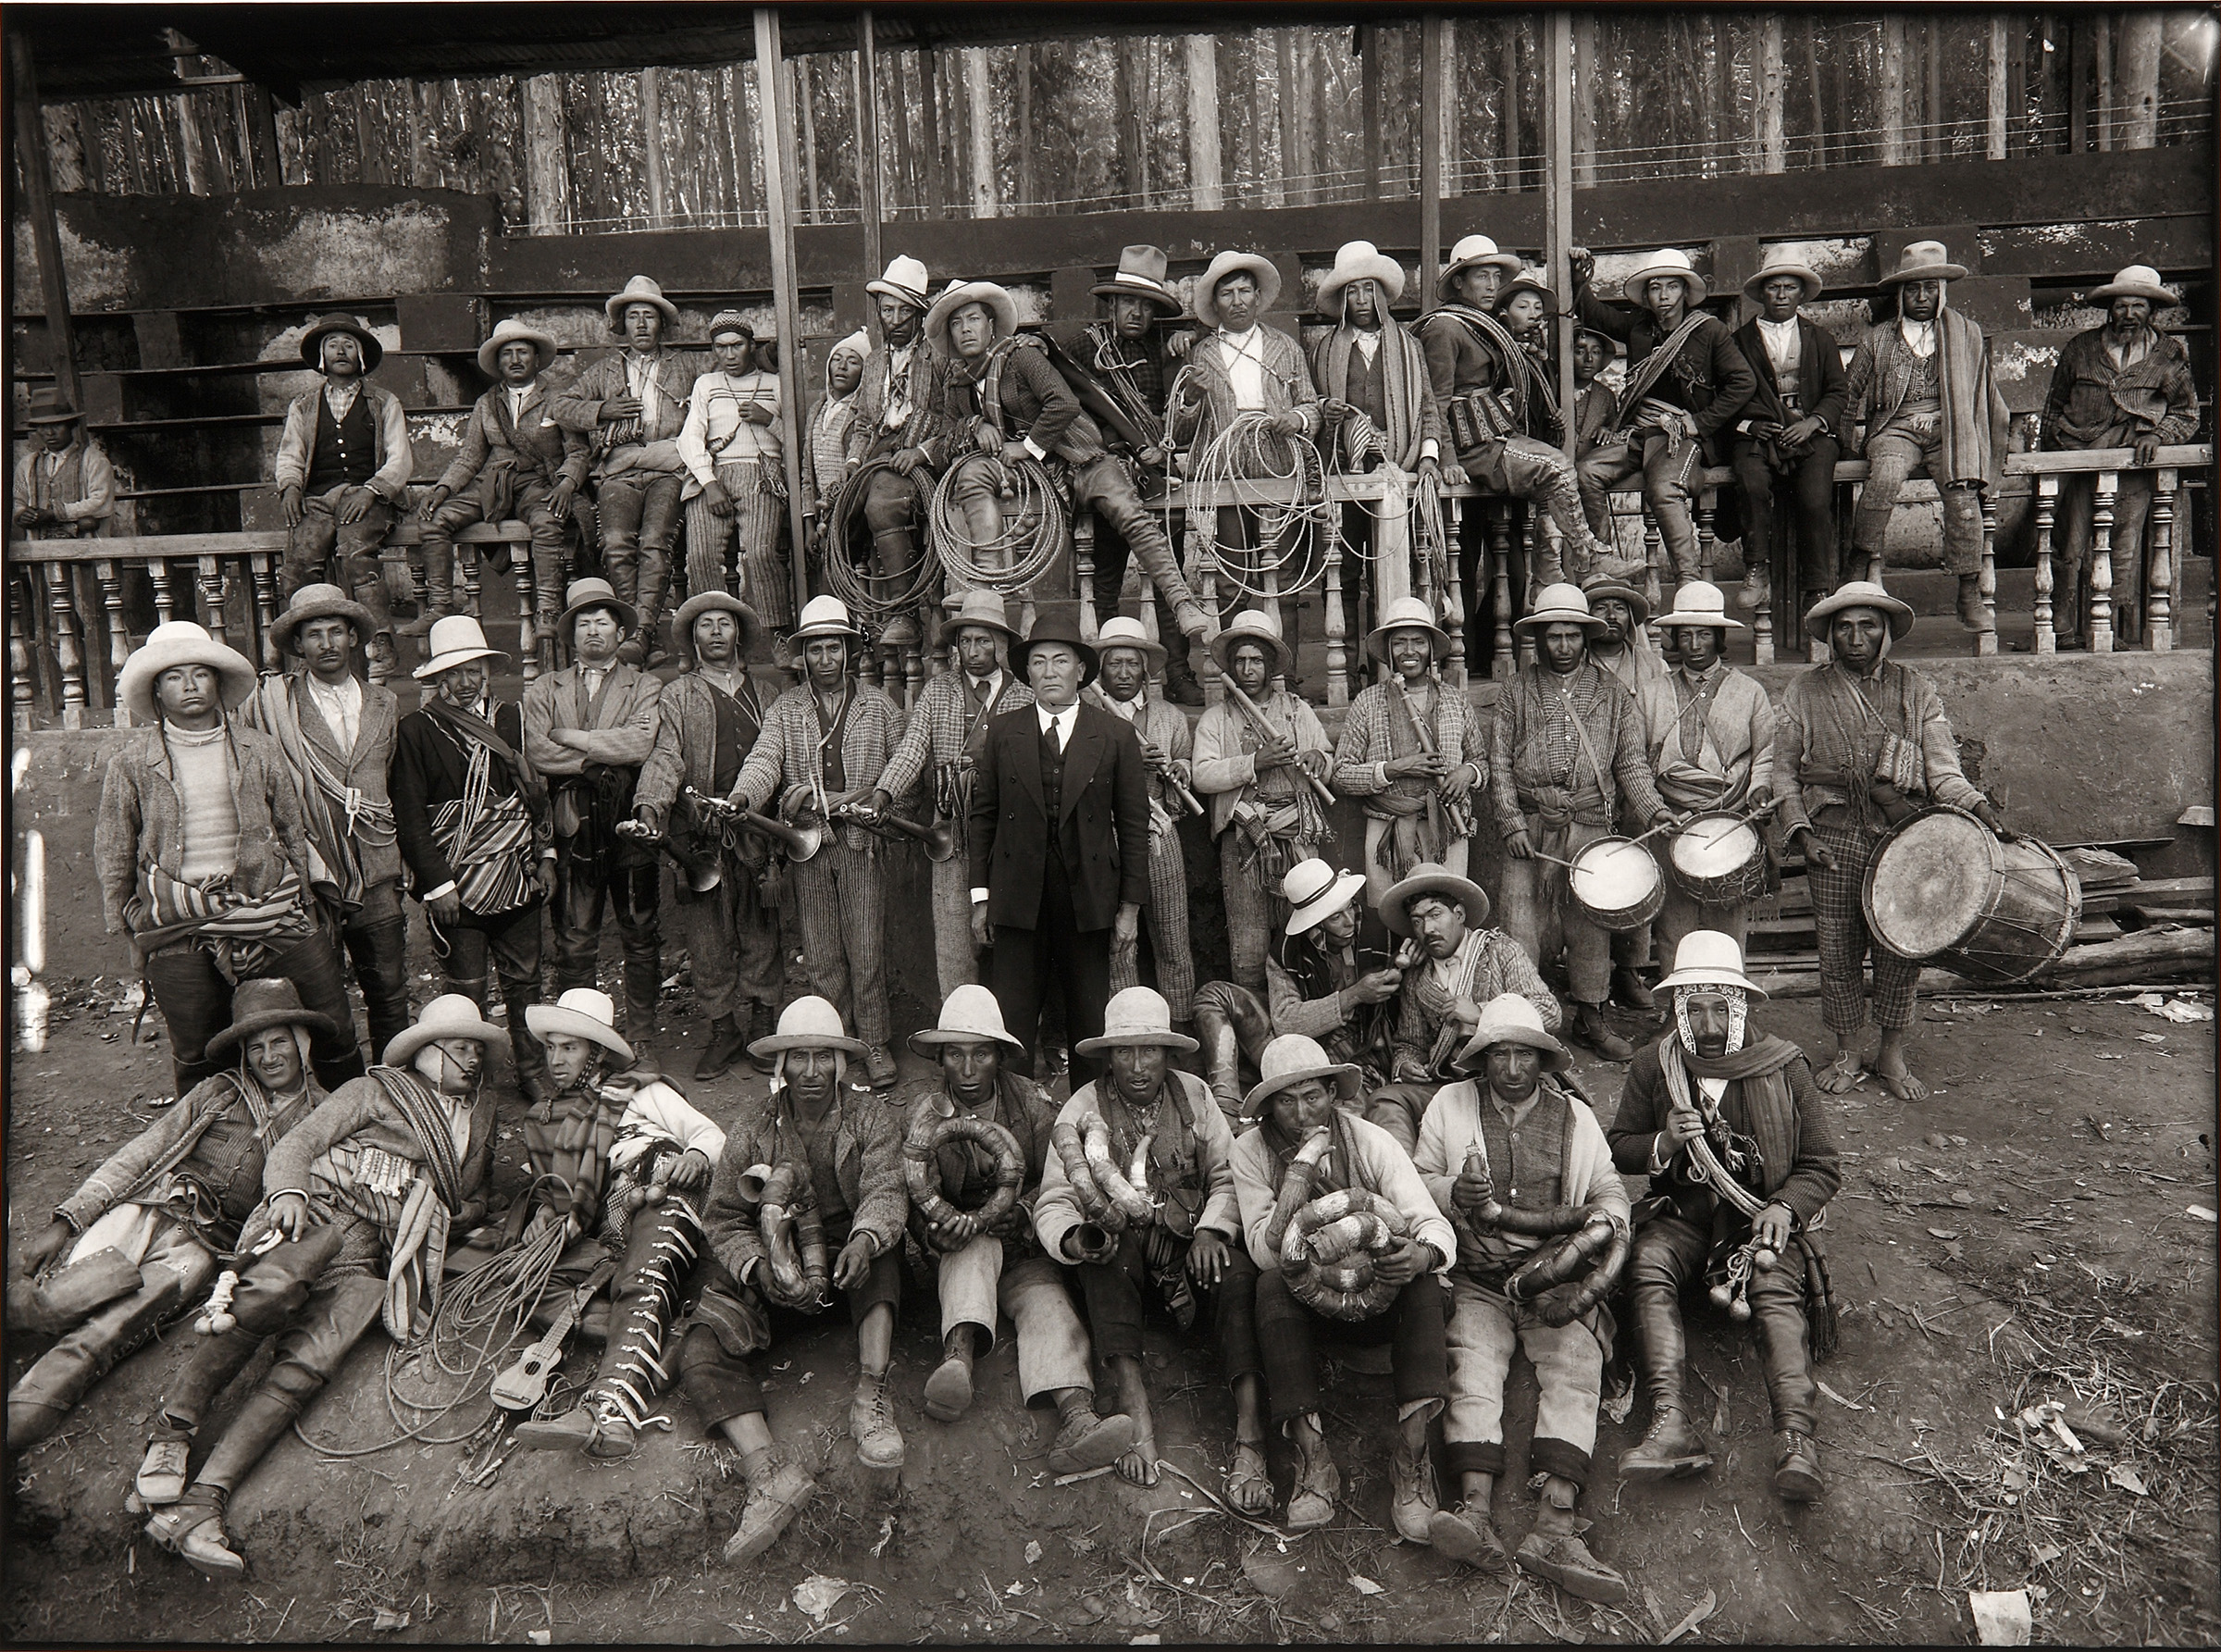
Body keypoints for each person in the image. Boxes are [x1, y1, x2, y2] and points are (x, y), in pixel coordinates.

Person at [143, 994, 503, 1576]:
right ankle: (173, 1431)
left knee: (315, 1359)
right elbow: (297, 1146)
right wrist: (288, 1192)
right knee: (273, 1290)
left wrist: (447, 1212)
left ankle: (200, 1506)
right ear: (429, 1052)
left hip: (381, 1252)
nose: (472, 1060)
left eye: (477, 1051)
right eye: (461, 1048)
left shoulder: (482, 1115)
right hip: (318, 1213)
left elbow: (473, 1192)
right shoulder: (373, 1091)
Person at [6, 981, 332, 1454]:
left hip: (202, 1248)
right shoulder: (219, 1093)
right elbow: (144, 1152)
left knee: (111, 1330)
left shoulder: (323, 1114)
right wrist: (66, 1221)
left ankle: (20, 1420)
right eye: (256, 1046)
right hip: (150, 1208)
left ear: (302, 1043)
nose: (268, 1056)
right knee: (58, 1301)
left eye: (279, 1041)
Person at [1607, 932, 1841, 1506]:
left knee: (1772, 1284)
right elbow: (1620, 1146)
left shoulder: (1786, 1067)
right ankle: (1670, 1424)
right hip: (1684, 1214)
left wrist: (1786, 1208)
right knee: (1648, 1260)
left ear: (1739, 1007)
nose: (1707, 1024)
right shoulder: (1654, 1065)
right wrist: (1661, 1142)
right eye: (1694, 1008)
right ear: (1676, 1010)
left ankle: (1796, 1439)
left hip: (1758, 1217)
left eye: (1719, 1007)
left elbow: (1822, 1165)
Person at [1412, 994, 1630, 1599]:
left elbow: (1608, 1189)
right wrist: (1454, 1188)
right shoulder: (1448, 1106)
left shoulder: (1575, 1118)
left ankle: (1555, 1525)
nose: (1511, 1068)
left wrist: (1601, 1228)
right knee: (1472, 1365)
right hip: (1477, 1278)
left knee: (1576, 1365)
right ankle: (1475, 1512)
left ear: (1543, 1059)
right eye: (1499, 1053)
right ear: (1482, 1058)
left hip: (1550, 1280)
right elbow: (1414, 1180)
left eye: (1523, 1055)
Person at [94, 622, 366, 1097]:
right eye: (176, 677)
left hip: (270, 906)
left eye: (201, 674)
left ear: (218, 683)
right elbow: (115, 849)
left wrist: (302, 898)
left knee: (333, 1026)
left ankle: (355, 1124)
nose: (191, 686)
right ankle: (210, 1150)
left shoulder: (258, 748)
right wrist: (129, 930)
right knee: (199, 1050)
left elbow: (290, 826)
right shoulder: (132, 764)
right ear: (158, 691)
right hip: (182, 920)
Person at [1036, 987, 1271, 1513]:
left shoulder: (1195, 1097)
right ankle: (1132, 1399)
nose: (1138, 1066)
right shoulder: (1083, 1107)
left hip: (1190, 1254)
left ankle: (1251, 1432)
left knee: (1238, 1277)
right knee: (1107, 1254)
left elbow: (1227, 1177)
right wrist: (1075, 1237)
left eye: (1150, 1051)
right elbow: (1054, 1199)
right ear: (1108, 1057)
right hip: (1126, 1265)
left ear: (1170, 1053)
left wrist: (1213, 1231)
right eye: (1124, 1052)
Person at [1774, 582, 2011, 1101]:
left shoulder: (1915, 689)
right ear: (1830, 635)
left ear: (1886, 633)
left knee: (1901, 948)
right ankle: (1847, 1050)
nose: (1855, 637)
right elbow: (1785, 773)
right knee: (1837, 948)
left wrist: (1977, 806)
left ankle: (1892, 1052)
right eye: (1844, 627)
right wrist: (1803, 831)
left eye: (1868, 625)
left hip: (1903, 837)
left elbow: (1941, 770)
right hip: (1832, 834)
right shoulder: (1805, 690)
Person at [696, 998, 908, 1561]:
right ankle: (767, 1472)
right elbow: (721, 1216)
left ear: (840, 1066)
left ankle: (871, 1397)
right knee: (702, 1340)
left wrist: (864, 1240)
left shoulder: (870, 1119)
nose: (811, 1072)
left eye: (823, 1058)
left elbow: (888, 1191)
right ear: (781, 1067)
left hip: (846, 1260)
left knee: (884, 1263)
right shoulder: (753, 1127)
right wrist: (757, 1265)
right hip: (779, 1261)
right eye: (799, 1059)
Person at [901, 986, 1140, 1471]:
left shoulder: (1031, 1103)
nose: (968, 1071)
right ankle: (957, 1362)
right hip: (962, 1243)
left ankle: (1077, 1418)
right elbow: (910, 1189)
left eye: (981, 1054)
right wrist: (934, 1230)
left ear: (999, 1057)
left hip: (1025, 1245)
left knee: (1049, 1306)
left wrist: (1026, 1212)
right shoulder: (921, 1116)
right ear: (940, 1059)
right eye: (955, 1055)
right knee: (970, 1257)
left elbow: (1055, 1176)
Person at [1231, 1035, 1456, 1538]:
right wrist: (1297, 1180)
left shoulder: (1371, 1141)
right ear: (1268, 1107)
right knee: (1269, 1284)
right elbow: (1263, 1249)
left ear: (1333, 1094)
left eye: (1312, 1096)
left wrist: (1418, 1254)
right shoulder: (1250, 1152)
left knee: (1424, 1284)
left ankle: (1413, 1462)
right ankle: (1313, 1463)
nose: (1300, 1113)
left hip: (1379, 1300)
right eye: (1285, 1101)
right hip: (1309, 1307)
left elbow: (1431, 1223)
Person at [503, 988, 734, 1459]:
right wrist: (547, 1214)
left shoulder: (641, 1090)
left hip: (664, 1186)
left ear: (595, 1053)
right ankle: (663, 1340)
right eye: (550, 1047)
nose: (556, 1059)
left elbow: (709, 1133)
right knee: (525, 1284)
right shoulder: (543, 1120)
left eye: (570, 1048)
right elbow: (558, 1195)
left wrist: (694, 1155)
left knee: (640, 1276)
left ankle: (608, 1415)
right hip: (609, 1226)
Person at [927, 280, 1210, 654]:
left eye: (973, 319)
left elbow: (1062, 405)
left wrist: (1026, 446)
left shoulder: (1020, 357)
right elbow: (948, 435)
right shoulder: (958, 383)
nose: (965, 329)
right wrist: (974, 425)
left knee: (1129, 513)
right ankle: (985, 587)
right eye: (956, 323)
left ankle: (1182, 601)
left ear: (990, 324)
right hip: (1031, 474)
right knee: (971, 474)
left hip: (1079, 455)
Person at [1490, 584, 1678, 1062]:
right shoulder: (1516, 690)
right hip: (1531, 828)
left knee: (1589, 928)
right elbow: (1497, 765)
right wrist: (1511, 823)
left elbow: (1631, 764)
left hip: (1593, 823)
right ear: (1538, 638)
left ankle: (1590, 1018)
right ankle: (1520, 1020)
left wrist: (1654, 809)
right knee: (1521, 926)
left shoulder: (1613, 694)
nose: (1563, 646)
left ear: (1586, 636)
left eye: (1573, 636)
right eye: (1553, 636)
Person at [968, 613, 1150, 1092]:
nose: (1050, 671)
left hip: (1087, 896)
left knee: (1089, 1016)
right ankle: (1013, 1117)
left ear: (1081, 672)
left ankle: (1090, 1113)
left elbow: (1133, 827)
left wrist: (1129, 907)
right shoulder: (1004, 732)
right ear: (1027, 674)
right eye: (1039, 662)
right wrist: (981, 898)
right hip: (1017, 895)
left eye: (1061, 661)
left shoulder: (1114, 735)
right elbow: (982, 817)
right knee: (1014, 1015)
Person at [734, 595, 905, 1088]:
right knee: (823, 951)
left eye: (834, 648)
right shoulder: (788, 709)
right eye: (815, 650)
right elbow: (766, 759)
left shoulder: (878, 706)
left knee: (867, 947)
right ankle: (838, 1039)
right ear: (802, 655)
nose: (825, 660)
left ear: (849, 651)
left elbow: (899, 779)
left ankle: (873, 1042)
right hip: (806, 845)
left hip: (861, 844)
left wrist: (851, 797)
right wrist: (746, 795)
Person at [236, 584, 410, 1061]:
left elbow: (395, 783)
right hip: (312, 872)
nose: (327, 643)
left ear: (355, 639)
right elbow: (257, 785)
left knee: (390, 990)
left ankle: (393, 1087)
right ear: (298, 645)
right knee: (321, 995)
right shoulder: (273, 705)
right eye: (315, 635)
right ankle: (342, 1092)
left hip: (377, 868)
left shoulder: (384, 703)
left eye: (337, 632)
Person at [389, 615, 558, 1104]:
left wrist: (545, 856)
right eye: (454, 673)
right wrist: (438, 886)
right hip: (457, 885)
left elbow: (536, 797)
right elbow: (412, 818)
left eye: (473, 670)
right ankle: (471, 1080)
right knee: (466, 990)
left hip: (516, 875)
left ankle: (530, 1069)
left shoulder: (514, 721)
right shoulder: (417, 731)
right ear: (438, 679)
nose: (464, 682)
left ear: (486, 670)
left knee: (525, 981)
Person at [631, 591, 789, 1078]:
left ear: (738, 633)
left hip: (757, 829)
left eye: (725, 623)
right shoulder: (678, 695)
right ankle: (723, 1029)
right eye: (706, 625)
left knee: (761, 929)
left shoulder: (767, 696)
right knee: (708, 936)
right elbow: (665, 756)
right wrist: (651, 805)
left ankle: (764, 1019)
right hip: (700, 831)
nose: (716, 632)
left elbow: (782, 758)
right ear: (693, 638)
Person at [1421, 236, 1613, 622]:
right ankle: (1587, 558)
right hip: (1470, 443)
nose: (1492, 284)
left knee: (1551, 483)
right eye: (1481, 276)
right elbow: (1434, 400)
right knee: (1557, 467)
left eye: (1496, 276)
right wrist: (1446, 458)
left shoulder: (1482, 327)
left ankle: (1548, 573)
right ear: (1458, 282)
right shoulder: (1445, 327)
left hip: (1492, 432)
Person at [522, 578, 665, 1050]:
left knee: (640, 931)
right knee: (575, 937)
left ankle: (641, 1034)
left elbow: (642, 744)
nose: (593, 631)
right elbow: (538, 750)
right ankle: (577, 1034)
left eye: (603, 622)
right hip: (571, 826)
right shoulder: (546, 687)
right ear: (572, 634)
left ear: (620, 631)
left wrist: (577, 738)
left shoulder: (646, 685)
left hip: (630, 822)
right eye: (584, 623)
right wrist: (596, 759)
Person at [872, 589, 1033, 1000]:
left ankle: (1009, 1035)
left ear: (1000, 644)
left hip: (1011, 837)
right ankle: (960, 1031)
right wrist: (884, 793)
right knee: (954, 941)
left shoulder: (1025, 696)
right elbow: (912, 749)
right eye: (965, 641)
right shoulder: (938, 691)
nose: (973, 650)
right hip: (950, 834)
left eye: (983, 640)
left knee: (1014, 939)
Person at [1840, 242, 2008, 631]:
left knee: (1963, 491)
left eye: (1930, 288)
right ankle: (1858, 561)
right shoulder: (1878, 338)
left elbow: (1979, 394)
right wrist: (1842, 442)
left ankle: (1968, 592)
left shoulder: (1966, 334)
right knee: (1884, 476)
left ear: (1942, 291)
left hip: (1950, 428)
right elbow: (1849, 394)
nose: (1921, 297)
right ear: (1900, 294)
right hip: (1894, 427)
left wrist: (1940, 415)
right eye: (1913, 289)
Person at [1167, 250, 1323, 660]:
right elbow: (1181, 432)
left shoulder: (1285, 347)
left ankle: (1284, 671)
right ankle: (1240, 670)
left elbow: (1311, 405)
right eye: (1227, 294)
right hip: (1224, 471)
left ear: (1257, 297)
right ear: (1215, 304)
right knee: (1230, 576)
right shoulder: (1201, 355)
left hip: (1278, 463)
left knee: (1284, 572)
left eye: (1244, 292)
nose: (1236, 301)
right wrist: (1193, 398)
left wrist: (1297, 419)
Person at [1070, 244, 1208, 704]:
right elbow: (1061, 393)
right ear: (1112, 304)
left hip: (1158, 475)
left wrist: (1187, 338)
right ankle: (1101, 678)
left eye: (1147, 305)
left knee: (1170, 573)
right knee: (1105, 584)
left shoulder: (1165, 349)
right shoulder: (1084, 348)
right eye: (1129, 302)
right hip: (1109, 475)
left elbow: (1180, 422)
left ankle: (1178, 673)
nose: (1137, 312)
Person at [2039, 264, 2202, 650]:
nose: (2129, 315)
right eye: (2121, 306)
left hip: (2132, 461)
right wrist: (2052, 460)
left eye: (2138, 306)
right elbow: (2053, 406)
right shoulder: (2081, 348)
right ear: (2109, 309)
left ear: (2152, 312)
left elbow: (2187, 413)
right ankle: (2061, 628)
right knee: (2069, 544)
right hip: (2079, 456)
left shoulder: (2168, 354)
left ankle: (2105, 628)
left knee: (2122, 546)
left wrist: (2159, 435)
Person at [1570, 248, 1756, 587]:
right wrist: (1580, 278)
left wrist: (1700, 422)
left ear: (1685, 292)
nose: (1664, 296)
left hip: (1683, 436)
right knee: (1586, 472)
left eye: (1672, 287)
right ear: (1647, 294)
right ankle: (1603, 562)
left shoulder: (1709, 331)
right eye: (1656, 288)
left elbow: (1743, 382)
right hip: (1639, 433)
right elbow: (1594, 314)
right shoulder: (1639, 328)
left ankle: (1689, 582)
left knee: (1663, 488)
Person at [413, 317, 589, 652]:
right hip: (494, 484)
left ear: (536, 359)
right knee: (434, 522)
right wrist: (442, 489)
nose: (516, 360)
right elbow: (470, 457)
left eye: (523, 352)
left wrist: (566, 485)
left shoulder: (559, 398)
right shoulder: (486, 404)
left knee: (548, 521)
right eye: (507, 353)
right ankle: (439, 605)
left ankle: (548, 611)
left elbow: (578, 452)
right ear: (498, 362)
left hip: (539, 481)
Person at [552, 275, 700, 667]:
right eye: (633, 316)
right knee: (616, 540)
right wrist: (602, 411)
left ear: (661, 324)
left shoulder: (686, 365)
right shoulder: (603, 371)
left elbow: (712, 400)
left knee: (654, 539)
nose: (640, 324)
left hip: (668, 469)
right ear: (622, 323)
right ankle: (641, 635)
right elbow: (561, 407)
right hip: (618, 471)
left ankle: (640, 634)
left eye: (649, 316)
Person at [1309, 241, 1449, 634]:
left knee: (1395, 563)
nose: (1361, 299)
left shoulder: (1408, 347)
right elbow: (1309, 401)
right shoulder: (1324, 350)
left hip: (1397, 469)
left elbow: (1427, 408)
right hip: (1345, 472)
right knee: (1345, 568)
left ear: (1381, 294)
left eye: (1368, 289)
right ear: (1341, 299)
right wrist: (1326, 410)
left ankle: (1389, 656)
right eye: (1352, 291)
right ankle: (1351, 666)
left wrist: (1428, 458)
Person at [1371, 863, 1559, 1151]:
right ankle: (1408, 1182)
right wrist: (1406, 1065)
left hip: (1508, 1082)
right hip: (1448, 1088)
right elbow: (1409, 1043)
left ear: (1458, 914)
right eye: (1418, 921)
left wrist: (1484, 1014)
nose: (1428, 929)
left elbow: (1549, 1012)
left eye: (1435, 914)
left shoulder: (1499, 950)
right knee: (1386, 1101)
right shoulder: (1417, 979)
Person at [1191, 611, 1334, 991]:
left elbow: (1325, 756)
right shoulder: (1215, 718)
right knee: (1249, 941)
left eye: (1256, 661)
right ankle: (1255, 1028)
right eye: (1240, 661)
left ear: (1270, 665)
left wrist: (1320, 760)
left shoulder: (1297, 710)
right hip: (1243, 840)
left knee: (1303, 929)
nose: (1248, 669)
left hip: (1297, 835)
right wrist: (1255, 762)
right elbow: (1201, 775)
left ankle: (1304, 1019)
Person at [1191, 859, 1396, 1119]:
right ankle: (1227, 1109)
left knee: (1340, 1109)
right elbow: (1286, 1023)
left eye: (1349, 908)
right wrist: (1353, 995)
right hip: (1293, 1043)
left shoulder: (1380, 932)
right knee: (1214, 995)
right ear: (1316, 923)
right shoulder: (1287, 951)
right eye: (1335, 917)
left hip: (1357, 1050)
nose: (1349, 921)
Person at [271, 315, 413, 681]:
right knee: (299, 564)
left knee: (356, 554)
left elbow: (399, 460)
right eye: (333, 344)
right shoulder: (303, 404)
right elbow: (290, 454)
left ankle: (379, 642)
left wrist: (372, 490)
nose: (341, 351)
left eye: (349, 344)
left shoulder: (384, 402)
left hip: (368, 497)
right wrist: (289, 486)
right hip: (318, 499)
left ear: (361, 354)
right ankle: (309, 648)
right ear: (322, 354)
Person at [1638, 581, 1775, 957]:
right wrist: (1654, 808)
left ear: (1718, 638)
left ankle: (1731, 1011)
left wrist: (1760, 789)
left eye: (1703, 635)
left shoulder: (1749, 692)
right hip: (1673, 821)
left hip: (1729, 820)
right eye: (1685, 636)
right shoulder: (1652, 693)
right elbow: (1634, 760)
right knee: (1674, 928)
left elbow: (1766, 751)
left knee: (1727, 927)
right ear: (1673, 639)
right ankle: (1677, 1012)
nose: (1695, 645)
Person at [1333, 595, 1483, 907]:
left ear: (1431, 650)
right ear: (1388, 650)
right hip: (1388, 830)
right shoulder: (1368, 702)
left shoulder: (1455, 700)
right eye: (1400, 642)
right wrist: (1396, 768)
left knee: (1444, 914)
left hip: (1447, 830)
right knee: (1395, 916)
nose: (1410, 651)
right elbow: (1341, 774)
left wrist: (1467, 773)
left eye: (1418, 642)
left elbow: (1480, 759)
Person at [1087, 617, 1197, 1031]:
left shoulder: (1170, 716)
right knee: (1121, 941)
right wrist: (1130, 764)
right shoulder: (1088, 717)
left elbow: (1184, 757)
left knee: (1173, 939)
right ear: (1102, 669)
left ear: (1146, 669)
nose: (1123, 673)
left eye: (1132, 664)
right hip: (1108, 837)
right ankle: (1127, 1033)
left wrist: (1180, 771)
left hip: (1161, 834)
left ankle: (1181, 1028)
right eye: (1115, 664)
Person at [1728, 255, 1849, 617]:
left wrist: (1812, 423)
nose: (1781, 294)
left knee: (1814, 498)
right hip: (1759, 432)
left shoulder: (1820, 338)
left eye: (1789, 287)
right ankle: (1757, 567)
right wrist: (1749, 426)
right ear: (1762, 293)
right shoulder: (1738, 341)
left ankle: (1816, 587)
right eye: (1773, 287)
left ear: (1801, 295)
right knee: (1750, 482)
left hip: (1811, 434)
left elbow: (1838, 392)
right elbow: (1724, 396)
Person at [845, 255, 949, 618]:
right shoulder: (874, 362)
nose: (894, 320)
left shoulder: (939, 356)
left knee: (881, 504)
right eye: (887, 310)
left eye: (904, 311)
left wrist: (923, 451)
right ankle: (857, 620)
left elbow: (956, 418)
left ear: (920, 314)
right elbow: (862, 422)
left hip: (918, 453)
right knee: (841, 511)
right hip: (878, 452)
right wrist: (853, 461)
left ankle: (902, 613)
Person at [678, 310, 788, 628]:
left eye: (737, 345)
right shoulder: (707, 384)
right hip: (712, 475)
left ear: (751, 345)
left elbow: (797, 439)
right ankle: (713, 633)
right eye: (721, 347)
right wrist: (709, 483)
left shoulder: (774, 383)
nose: (729, 355)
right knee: (699, 556)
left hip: (762, 475)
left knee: (761, 553)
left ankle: (776, 631)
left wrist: (769, 419)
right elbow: (690, 438)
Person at [799, 329, 870, 615]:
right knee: (830, 586)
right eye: (837, 359)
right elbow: (807, 473)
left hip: (851, 511)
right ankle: (842, 642)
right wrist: (808, 525)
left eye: (853, 361)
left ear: (865, 372)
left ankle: (865, 642)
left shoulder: (862, 410)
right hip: (822, 517)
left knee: (857, 584)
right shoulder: (818, 409)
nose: (842, 367)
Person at [11, 384, 115, 540]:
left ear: (71, 425)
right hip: (40, 551)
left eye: (57, 425)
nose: (50, 433)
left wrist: (55, 513)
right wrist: (21, 514)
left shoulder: (94, 460)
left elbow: (100, 501)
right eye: (43, 427)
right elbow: (18, 497)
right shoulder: (27, 464)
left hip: (85, 549)